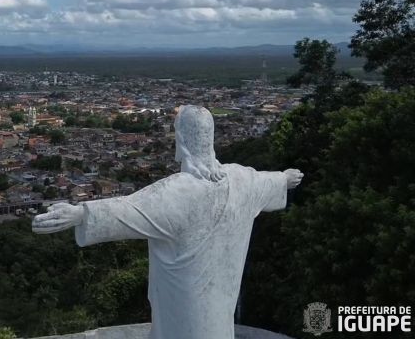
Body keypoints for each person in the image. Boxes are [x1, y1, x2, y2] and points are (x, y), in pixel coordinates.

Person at [32, 104, 303, 339]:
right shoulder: (242, 180)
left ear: (180, 141)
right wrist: (285, 178)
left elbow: (125, 210)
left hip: (182, 311)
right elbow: (271, 180)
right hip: (222, 304)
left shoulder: (176, 193)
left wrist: (79, 213)